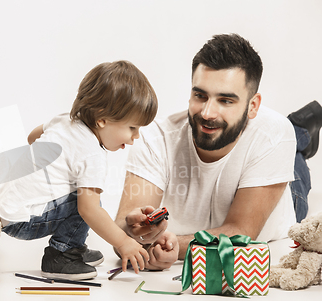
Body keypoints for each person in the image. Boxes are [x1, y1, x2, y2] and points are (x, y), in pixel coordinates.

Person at [115, 33, 322, 261]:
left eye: (225, 101)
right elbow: (122, 231)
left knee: (292, 147)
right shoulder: (155, 138)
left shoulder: (273, 135)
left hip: (287, 192)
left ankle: (301, 131)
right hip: (262, 143)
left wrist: (173, 248)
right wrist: (133, 231)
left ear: (253, 106)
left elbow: (241, 232)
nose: (207, 113)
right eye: (200, 95)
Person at [0, 61, 159, 280]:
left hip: (4, 208)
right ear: (102, 120)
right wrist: (124, 242)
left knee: (81, 196)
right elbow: (89, 211)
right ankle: (62, 254)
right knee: (90, 203)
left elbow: (32, 137)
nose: (135, 137)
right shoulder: (92, 153)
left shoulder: (64, 120)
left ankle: (73, 244)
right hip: (24, 221)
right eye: (132, 128)